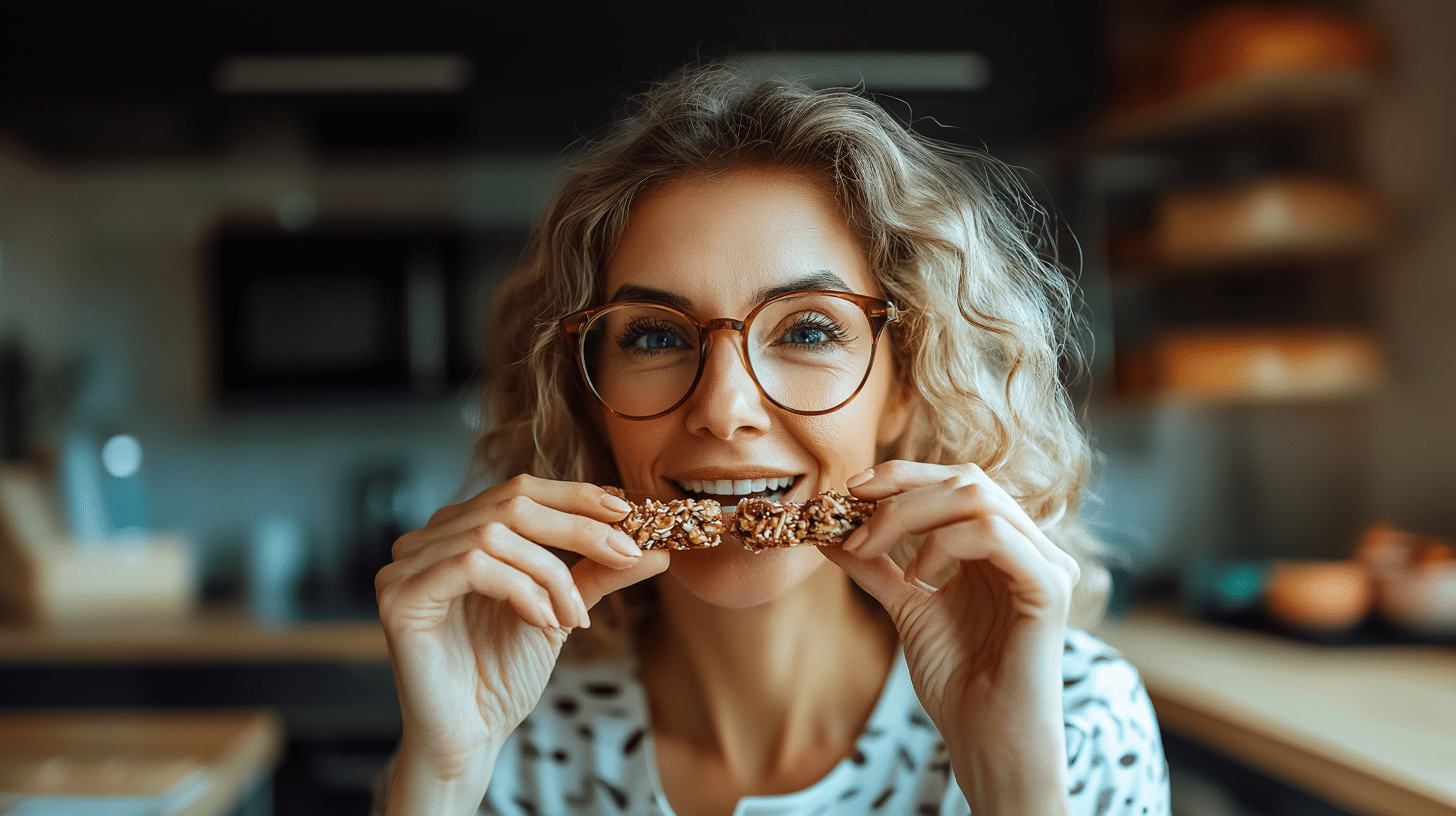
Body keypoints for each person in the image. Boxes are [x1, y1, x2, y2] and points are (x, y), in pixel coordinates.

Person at [372, 63, 1169, 816]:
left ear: (907, 383)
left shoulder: (1072, 723)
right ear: (590, 398)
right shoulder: (500, 731)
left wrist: (1013, 785)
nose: (724, 409)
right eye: (654, 337)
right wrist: (440, 777)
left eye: (810, 330)